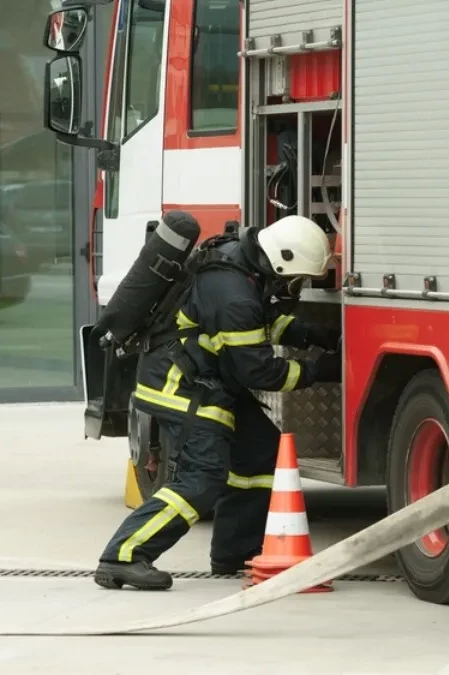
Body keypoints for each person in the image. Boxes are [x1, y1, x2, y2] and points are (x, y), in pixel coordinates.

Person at [94, 215, 344, 591]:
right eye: (297, 278)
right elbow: (259, 372)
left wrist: (312, 333)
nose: (297, 285)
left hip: (205, 379)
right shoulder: (234, 295)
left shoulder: (239, 264)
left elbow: (261, 321)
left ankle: (235, 552)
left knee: (261, 451)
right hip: (181, 388)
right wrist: (317, 371)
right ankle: (124, 556)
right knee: (202, 476)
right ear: (281, 262)